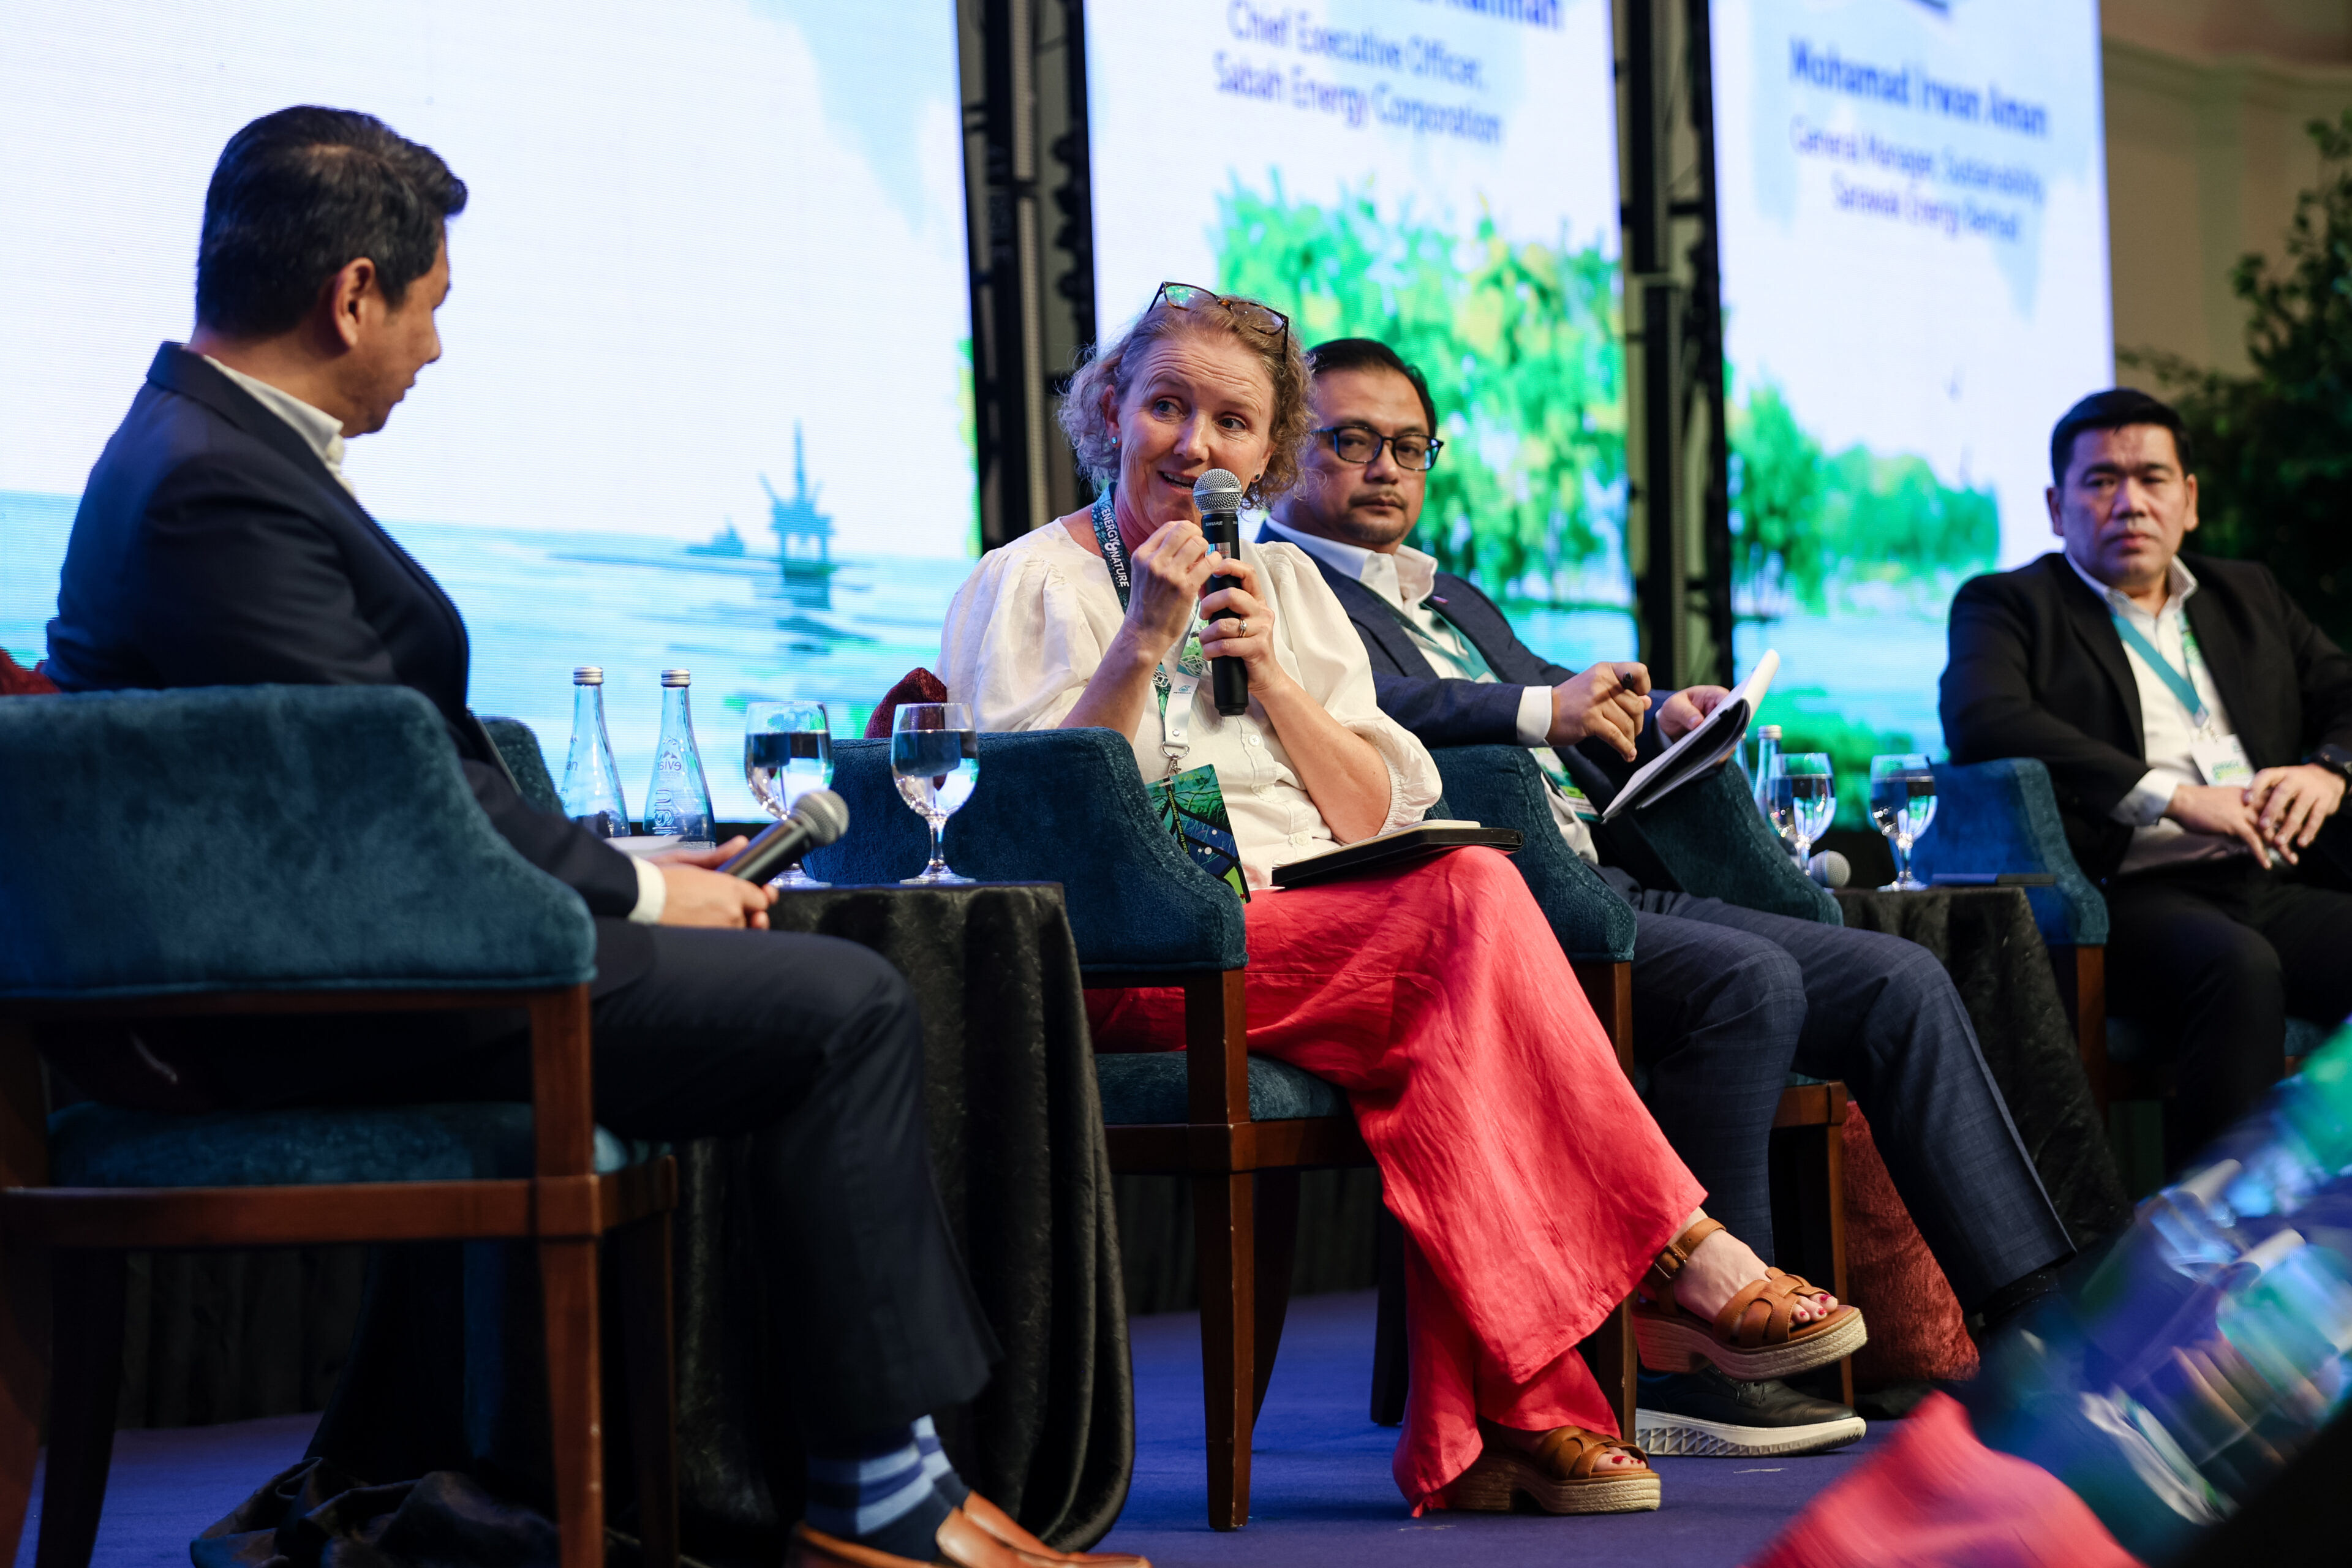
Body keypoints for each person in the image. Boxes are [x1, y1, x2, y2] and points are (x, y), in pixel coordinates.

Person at [40, 105, 1121, 1568]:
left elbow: (377, 772)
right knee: (846, 1002)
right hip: (320, 1004)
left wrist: (626, 882)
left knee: (810, 981)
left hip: (343, 963)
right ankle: (879, 1496)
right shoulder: (211, 482)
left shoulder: (194, 449)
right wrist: (636, 892)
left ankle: (866, 1474)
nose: (434, 349)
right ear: (353, 292)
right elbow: (379, 793)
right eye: (429, 308)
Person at [940, 283, 1866, 1517]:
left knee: (1457, 1008)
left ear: (1267, 453)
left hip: (1321, 933)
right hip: (1134, 956)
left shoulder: (1291, 587)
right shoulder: (1024, 581)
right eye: (1166, 406)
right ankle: (1668, 1253)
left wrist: (1274, 677)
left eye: (1231, 422)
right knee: (1472, 901)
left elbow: (1376, 808)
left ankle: (1488, 1440)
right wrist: (1142, 643)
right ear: (1112, 409)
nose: (1194, 445)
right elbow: (1022, 830)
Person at [1263, 337, 2078, 1450]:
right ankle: (1709, 1358)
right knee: (1750, 981)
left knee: (1904, 979)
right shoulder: (1276, 586)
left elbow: (1558, 702)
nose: (1385, 469)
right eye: (1352, 441)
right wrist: (1539, 706)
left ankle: (2035, 1316)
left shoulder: (1452, 595)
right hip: (1487, 914)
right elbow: (1377, 710)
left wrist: (1660, 722)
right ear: (1286, 451)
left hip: (1608, 878)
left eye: (1410, 447)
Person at [1943, 387, 2352, 1164]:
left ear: (2188, 501)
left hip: (2267, 875)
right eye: (2102, 481)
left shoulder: (2249, 594)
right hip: (2125, 894)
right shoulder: (2011, 605)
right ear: (2057, 507)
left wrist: (2329, 771)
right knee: (2239, 967)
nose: (2130, 502)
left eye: (2152, 478)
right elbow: (1983, 719)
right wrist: (2177, 798)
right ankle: (2217, 1226)